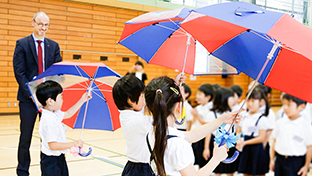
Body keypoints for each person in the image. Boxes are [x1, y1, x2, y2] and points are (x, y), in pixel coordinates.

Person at [145, 76, 241, 176]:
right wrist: (216, 159)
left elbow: (192, 135)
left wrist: (222, 119)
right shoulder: (178, 144)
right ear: (179, 107)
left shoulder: (152, 132)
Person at [13, 12, 62, 176]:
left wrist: (49, 97)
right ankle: (22, 171)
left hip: (47, 99)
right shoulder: (22, 44)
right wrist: (32, 95)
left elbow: (57, 72)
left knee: (48, 138)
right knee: (25, 138)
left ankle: (47, 171)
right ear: (32, 22)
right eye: (40, 24)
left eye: (46, 25)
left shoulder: (53, 46)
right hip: (28, 100)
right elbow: (19, 73)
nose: (43, 28)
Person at [36, 80, 90, 176]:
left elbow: (68, 113)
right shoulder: (48, 121)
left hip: (59, 157)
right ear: (50, 101)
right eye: (61, 97)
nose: (62, 100)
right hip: (50, 162)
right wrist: (73, 143)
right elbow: (53, 146)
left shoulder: (54, 113)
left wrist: (82, 100)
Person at [112, 75, 154, 176]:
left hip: (133, 166)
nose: (144, 100)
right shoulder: (137, 120)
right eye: (142, 96)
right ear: (130, 100)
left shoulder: (127, 114)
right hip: (141, 169)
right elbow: (158, 125)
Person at [270, 94, 312, 176]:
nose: (285, 107)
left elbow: (309, 147)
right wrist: (272, 159)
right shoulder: (280, 122)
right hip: (280, 159)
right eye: (284, 104)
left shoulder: (305, 125)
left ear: (301, 107)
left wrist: (306, 166)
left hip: (296, 162)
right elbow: (274, 141)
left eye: (289, 105)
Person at [203, 87, 239, 176]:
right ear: (224, 99)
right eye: (231, 97)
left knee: (230, 170)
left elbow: (235, 129)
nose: (234, 99)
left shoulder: (232, 112)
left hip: (229, 143)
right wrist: (206, 148)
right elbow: (208, 133)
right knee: (217, 170)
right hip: (217, 143)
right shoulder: (211, 114)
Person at [236, 88, 270, 176]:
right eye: (248, 100)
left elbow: (262, 138)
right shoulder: (244, 116)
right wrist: (239, 139)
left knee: (258, 172)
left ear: (261, 102)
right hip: (245, 148)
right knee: (246, 172)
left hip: (256, 149)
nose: (250, 103)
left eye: (253, 101)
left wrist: (245, 143)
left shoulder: (262, 119)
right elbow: (239, 131)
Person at [190, 83, 215, 168]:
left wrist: (197, 116)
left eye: (200, 94)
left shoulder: (211, 109)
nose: (197, 96)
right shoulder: (198, 107)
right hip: (196, 137)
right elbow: (193, 123)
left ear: (208, 97)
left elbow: (209, 126)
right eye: (197, 94)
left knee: (204, 164)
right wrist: (194, 116)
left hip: (205, 139)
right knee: (194, 163)